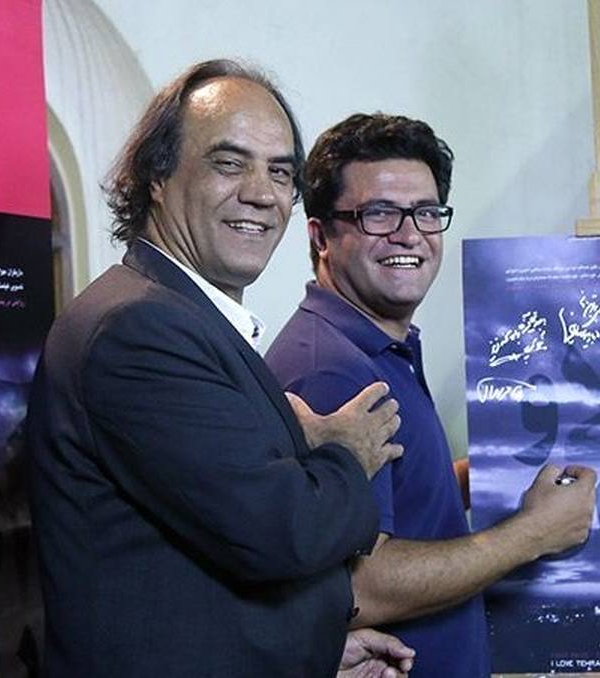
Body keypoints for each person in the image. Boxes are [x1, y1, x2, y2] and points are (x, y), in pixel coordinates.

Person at [25, 60, 414, 678]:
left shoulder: (178, 315)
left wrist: (315, 650)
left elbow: (186, 574)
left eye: (279, 172)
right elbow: (280, 533)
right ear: (156, 176)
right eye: (229, 164)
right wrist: (348, 453)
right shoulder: (138, 328)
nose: (261, 193)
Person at [265, 113, 597, 678]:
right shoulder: (333, 374)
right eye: (378, 213)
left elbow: (385, 507)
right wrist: (534, 533)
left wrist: (461, 481)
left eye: (425, 211)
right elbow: (362, 586)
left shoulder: (374, 347)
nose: (409, 233)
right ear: (321, 236)